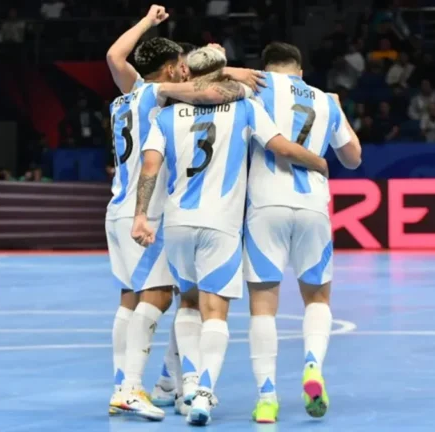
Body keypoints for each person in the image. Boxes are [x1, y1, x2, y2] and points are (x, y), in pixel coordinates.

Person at [131, 46, 330, 426]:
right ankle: (204, 392)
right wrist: (318, 162)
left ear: (186, 73)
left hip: (176, 223)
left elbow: (150, 167)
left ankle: (186, 386)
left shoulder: (165, 115)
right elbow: (279, 147)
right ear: (225, 72)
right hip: (221, 224)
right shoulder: (244, 107)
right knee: (215, 312)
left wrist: (142, 215)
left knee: (187, 303)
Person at [104, 16, 257, 422]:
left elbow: (115, 54)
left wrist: (146, 22)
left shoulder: (125, 97)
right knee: (164, 297)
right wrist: (231, 71)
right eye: (180, 63)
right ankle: (130, 387)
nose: (184, 67)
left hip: (116, 208)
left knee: (133, 298)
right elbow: (211, 91)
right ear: (172, 68)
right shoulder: (157, 94)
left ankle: (160, 382)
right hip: (146, 210)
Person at [244, 42, 362, 423]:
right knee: (317, 298)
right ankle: (312, 366)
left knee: (263, 304)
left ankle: (266, 398)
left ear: (266, 67)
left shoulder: (257, 86)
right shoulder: (325, 100)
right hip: (312, 205)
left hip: (266, 203)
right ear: (299, 68)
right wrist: (338, 109)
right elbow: (353, 157)